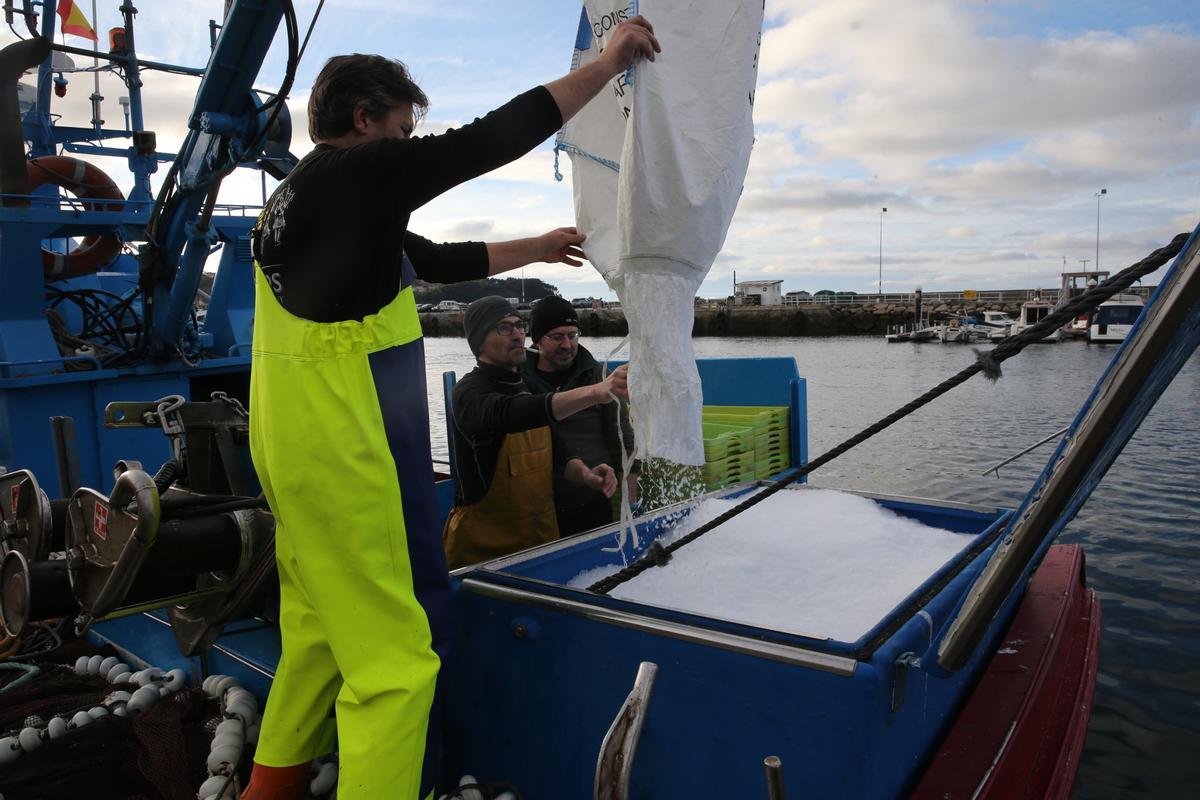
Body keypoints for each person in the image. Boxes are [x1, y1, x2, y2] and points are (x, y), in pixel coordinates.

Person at [244, 17, 661, 800]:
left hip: (292, 456)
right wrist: (607, 66)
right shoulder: (355, 176)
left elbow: (431, 262)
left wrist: (532, 251)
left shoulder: (295, 202)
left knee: (316, 635)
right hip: (350, 455)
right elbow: (487, 140)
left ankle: (266, 789)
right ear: (364, 121)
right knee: (396, 664)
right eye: (402, 129)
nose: (408, 143)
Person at [443, 297, 627, 568]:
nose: (517, 334)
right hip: (486, 551)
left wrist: (585, 475)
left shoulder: (528, 387)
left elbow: (559, 453)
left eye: (519, 326)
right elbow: (509, 412)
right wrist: (597, 392)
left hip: (541, 541)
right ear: (479, 342)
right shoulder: (469, 392)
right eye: (504, 328)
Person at [520, 296, 638, 535]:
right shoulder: (519, 381)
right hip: (532, 512)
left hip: (590, 506)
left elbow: (624, 446)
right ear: (538, 340)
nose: (567, 344)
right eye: (557, 337)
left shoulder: (599, 376)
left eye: (572, 335)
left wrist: (631, 510)